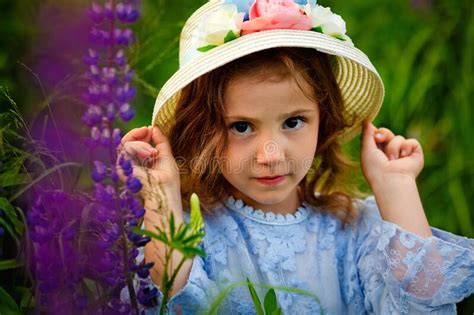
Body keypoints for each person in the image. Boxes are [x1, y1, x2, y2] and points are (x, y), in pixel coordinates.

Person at [119, 0, 474, 313]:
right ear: (201, 130)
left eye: (293, 122)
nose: (271, 155)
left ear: (324, 119)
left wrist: (395, 187)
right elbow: (170, 302)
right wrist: (159, 199)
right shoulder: (193, 230)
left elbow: (421, 304)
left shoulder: (356, 227)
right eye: (241, 127)